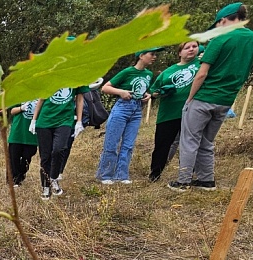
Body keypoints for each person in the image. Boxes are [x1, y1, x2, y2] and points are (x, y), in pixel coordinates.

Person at [169, 3, 253, 192]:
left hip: (204, 97)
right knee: (207, 141)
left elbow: (201, 73)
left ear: (224, 20)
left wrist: (189, 99)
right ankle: (206, 181)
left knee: (189, 139)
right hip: (226, 99)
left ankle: (183, 181)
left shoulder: (220, 38)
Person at [95, 48, 158, 185]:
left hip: (136, 110)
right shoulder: (127, 71)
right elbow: (105, 87)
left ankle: (121, 175)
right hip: (122, 108)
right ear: (141, 56)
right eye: (152, 54)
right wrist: (121, 92)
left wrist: (147, 95)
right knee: (112, 142)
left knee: (128, 144)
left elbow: (143, 90)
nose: (155, 57)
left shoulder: (148, 74)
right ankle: (105, 175)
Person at [148, 42, 200, 182]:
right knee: (162, 145)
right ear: (179, 53)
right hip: (168, 113)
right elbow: (153, 91)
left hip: (192, 111)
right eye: (186, 47)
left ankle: (188, 175)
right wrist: (160, 92)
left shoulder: (200, 64)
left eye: (194, 46)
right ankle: (155, 174)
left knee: (190, 144)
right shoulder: (168, 71)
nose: (191, 49)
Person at [31, 84, 87, 199]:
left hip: (65, 120)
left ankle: (54, 177)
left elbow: (80, 99)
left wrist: (79, 121)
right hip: (45, 121)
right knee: (45, 156)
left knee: (59, 149)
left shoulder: (78, 76)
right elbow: (41, 98)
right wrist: (34, 120)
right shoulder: (52, 74)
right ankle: (46, 187)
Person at [7, 100, 38, 187]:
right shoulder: (20, 94)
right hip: (17, 132)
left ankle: (20, 175)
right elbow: (12, 111)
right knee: (14, 157)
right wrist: (21, 108)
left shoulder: (40, 95)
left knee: (28, 155)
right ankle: (13, 180)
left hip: (32, 134)